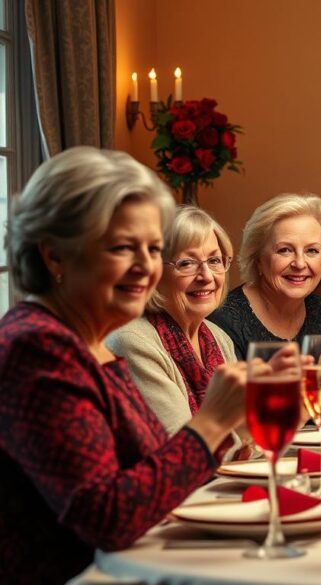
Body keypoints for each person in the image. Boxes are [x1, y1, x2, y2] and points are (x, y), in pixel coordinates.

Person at [0, 147, 247, 583]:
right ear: (54, 255)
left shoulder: (92, 342)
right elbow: (105, 518)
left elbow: (155, 480)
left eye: (153, 249)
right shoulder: (37, 346)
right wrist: (212, 422)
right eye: (121, 248)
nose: (145, 268)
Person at [107, 207, 239, 435]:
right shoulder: (132, 342)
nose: (207, 276)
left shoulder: (218, 337)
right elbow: (182, 446)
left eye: (214, 260)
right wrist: (249, 432)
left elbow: (251, 434)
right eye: (186, 264)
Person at [209, 193, 321, 360]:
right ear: (257, 258)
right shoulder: (224, 320)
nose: (300, 264)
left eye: (312, 250)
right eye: (285, 250)